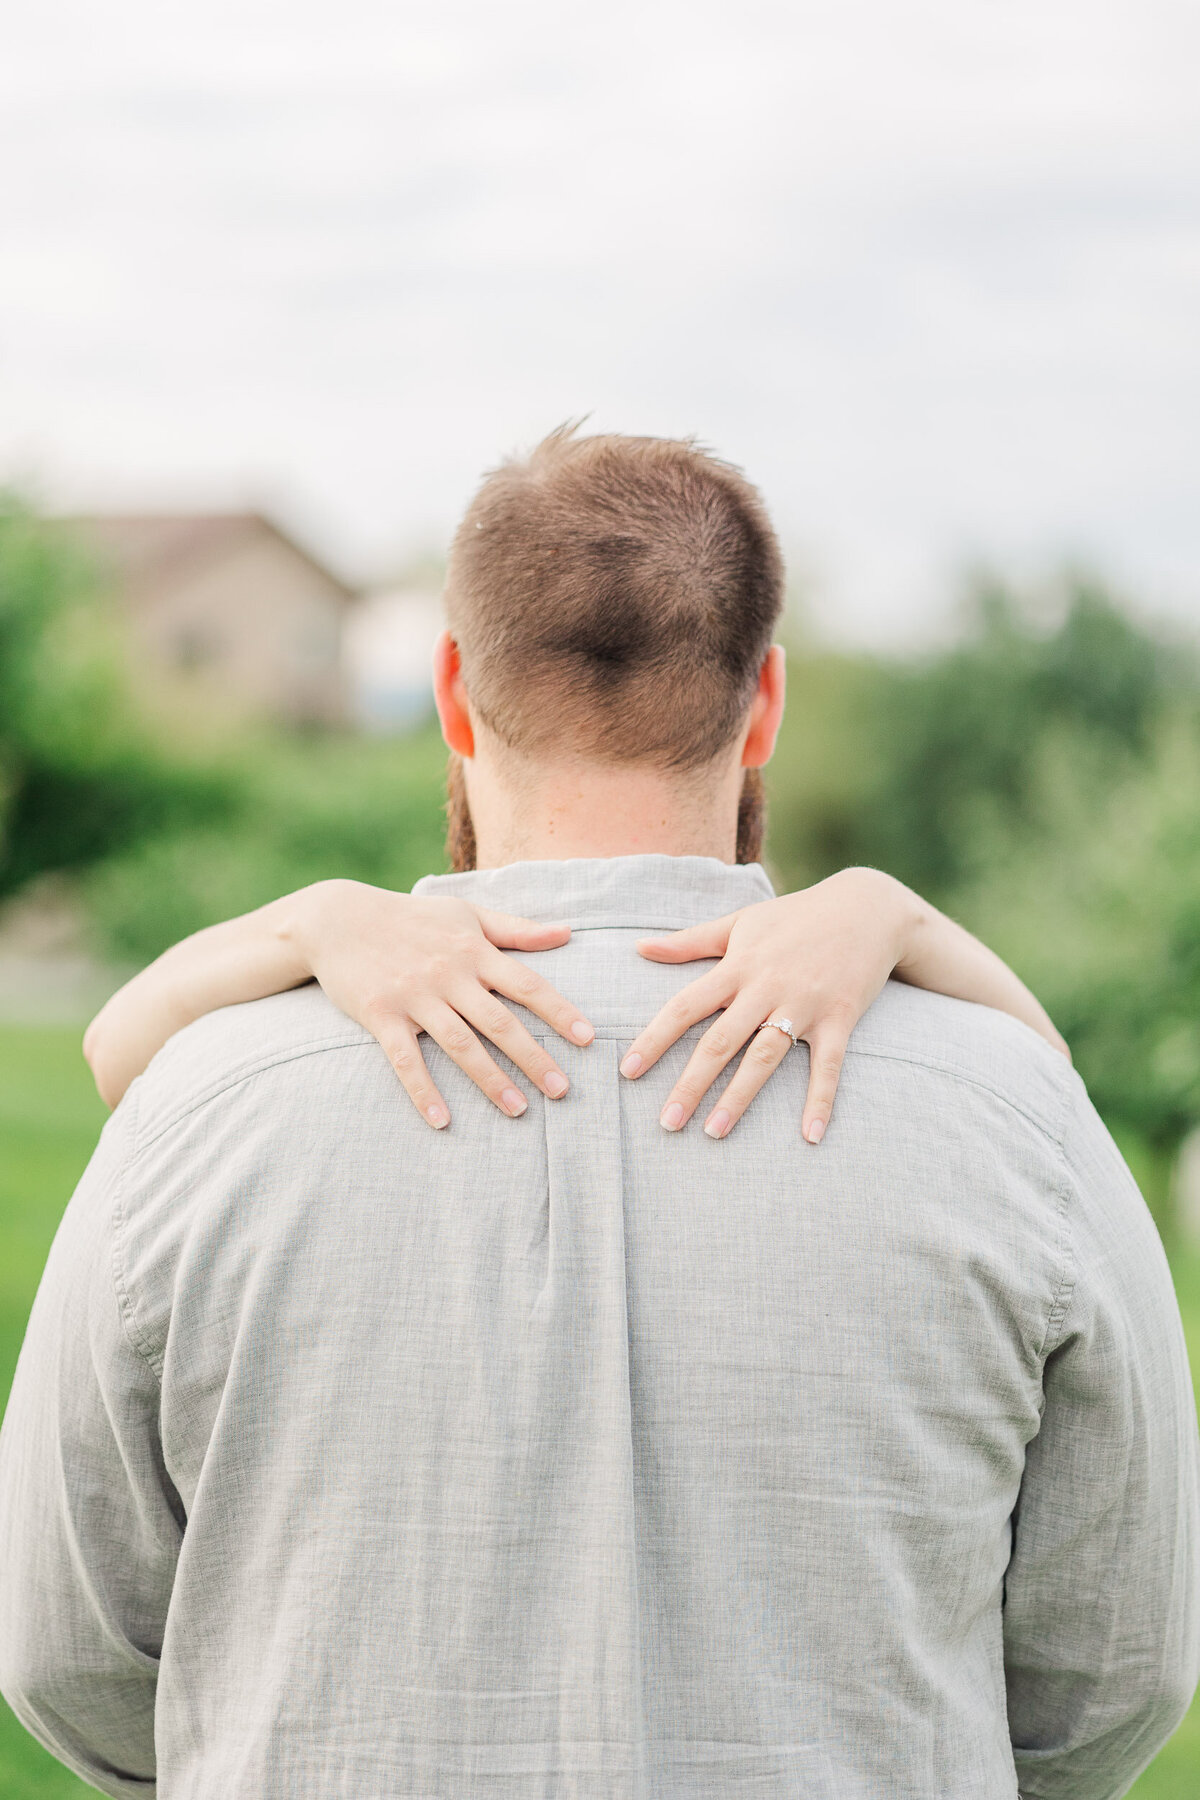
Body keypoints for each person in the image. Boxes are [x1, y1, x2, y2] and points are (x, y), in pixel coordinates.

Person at [1, 428, 1196, 1799]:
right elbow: (1116, 1674)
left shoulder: (199, 1102)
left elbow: (65, 1658)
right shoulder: (1016, 1112)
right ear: (766, 706)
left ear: (453, 693)